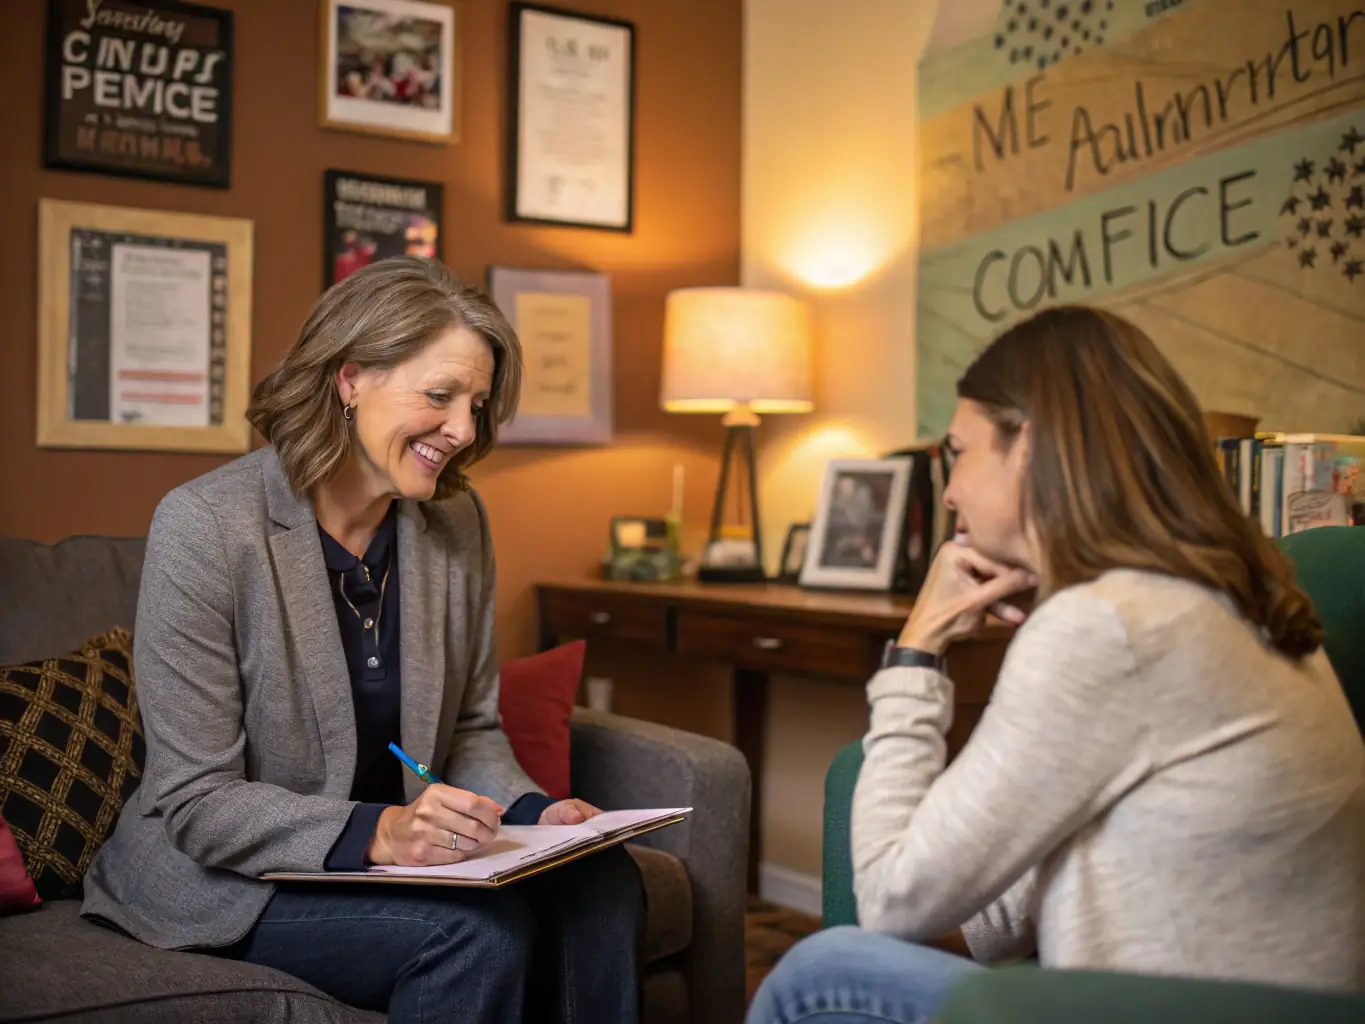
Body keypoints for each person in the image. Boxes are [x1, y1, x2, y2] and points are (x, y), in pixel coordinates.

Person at [748, 305, 1365, 1024]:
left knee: (820, 971)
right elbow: (1016, 893)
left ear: (1029, 448)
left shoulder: (1105, 626)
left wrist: (916, 649)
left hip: (1182, 1011)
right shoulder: (1233, 594)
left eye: (960, 451)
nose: (949, 491)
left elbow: (887, 900)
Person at [82, 256, 645, 1023]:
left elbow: (472, 728)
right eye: (440, 396)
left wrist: (528, 811)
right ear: (350, 378)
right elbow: (197, 801)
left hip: (400, 861)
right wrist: (380, 829)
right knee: (475, 933)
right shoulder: (207, 526)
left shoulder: (456, 523)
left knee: (603, 880)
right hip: (229, 875)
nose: (463, 431)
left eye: (477, 405)